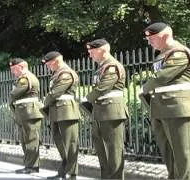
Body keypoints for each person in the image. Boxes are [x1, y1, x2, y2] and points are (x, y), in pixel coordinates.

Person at [140, 22, 190, 179]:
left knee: (181, 152)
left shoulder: (179, 53)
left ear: (165, 36)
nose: (150, 42)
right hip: (160, 108)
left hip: (177, 108)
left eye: (152, 38)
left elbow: (162, 77)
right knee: (168, 153)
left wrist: (145, 87)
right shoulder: (162, 55)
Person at [85, 39, 129, 179]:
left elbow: (102, 88)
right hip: (100, 113)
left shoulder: (112, 66)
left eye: (92, 52)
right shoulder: (101, 68)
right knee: (102, 152)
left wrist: (88, 98)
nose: (90, 55)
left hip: (112, 113)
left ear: (102, 50)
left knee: (114, 152)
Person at [41, 51, 81, 180]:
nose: (48, 66)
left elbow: (55, 93)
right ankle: (64, 169)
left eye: (48, 64)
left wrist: (44, 103)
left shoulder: (65, 73)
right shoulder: (57, 74)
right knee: (60, 142)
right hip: (56, 111)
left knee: (70, 143)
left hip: (66, 111)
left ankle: (72, 173)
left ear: (56, 61)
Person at [8, 58, 44, 174]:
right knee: (25, 139)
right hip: (24, 112)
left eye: (14, 69)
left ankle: (33, 166)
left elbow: (14, 93)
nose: (13, 72)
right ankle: (29, 164)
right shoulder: (22, 78)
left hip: (29, 111)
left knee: (31, 139)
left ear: (21, 66)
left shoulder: (25, 78)